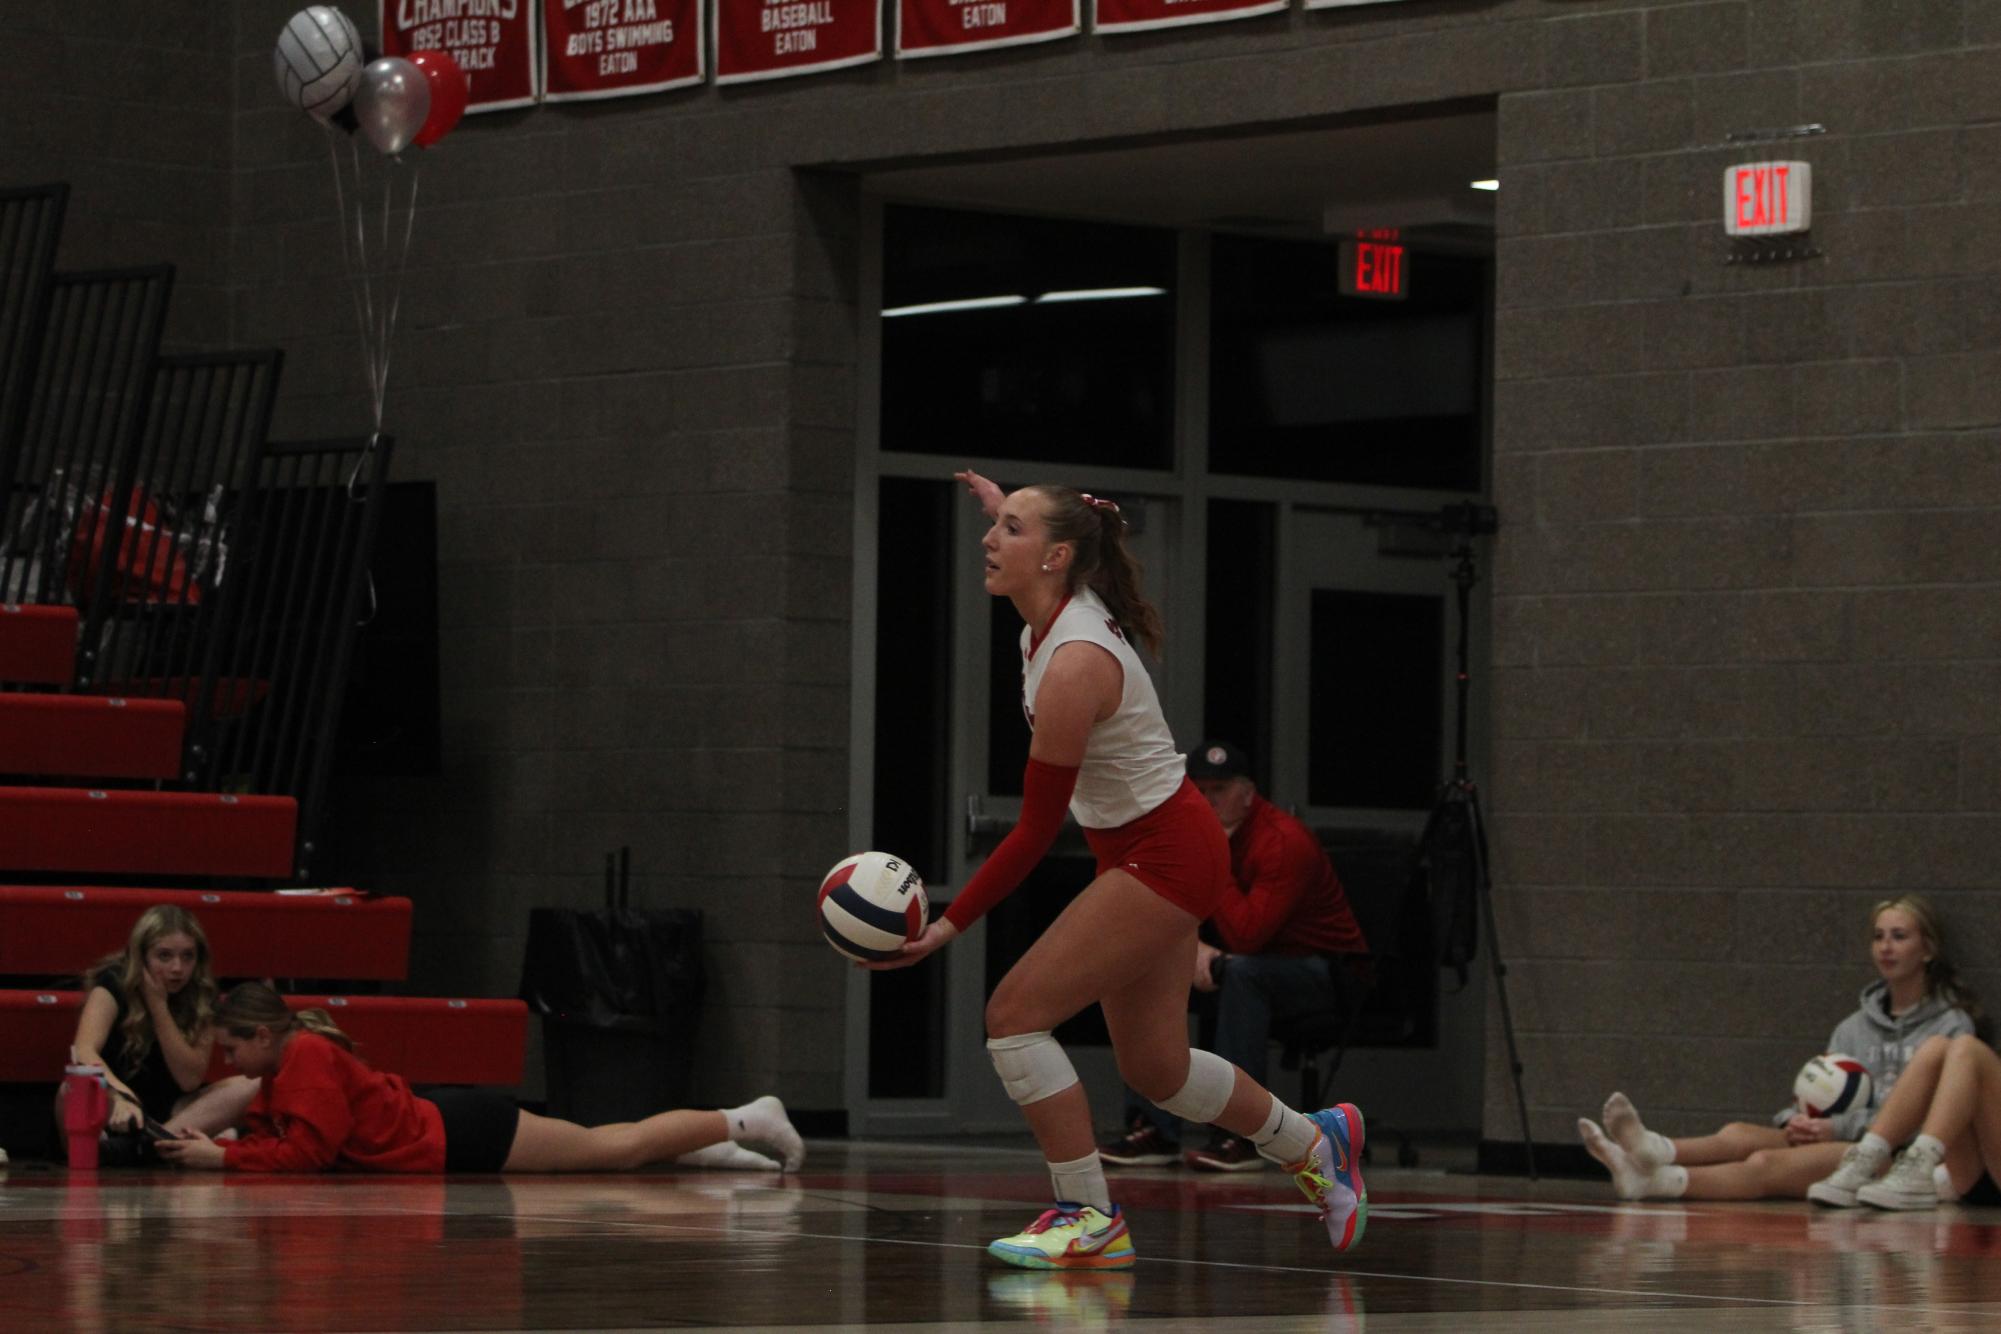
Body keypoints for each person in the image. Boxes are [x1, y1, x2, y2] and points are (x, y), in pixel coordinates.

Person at [861, 470, 1366, 1271]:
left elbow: (1031, 832)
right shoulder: (1051, 608)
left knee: (1013, 1016)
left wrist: (947, 926)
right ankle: (1316, 1141)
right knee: (1157, 1070)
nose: (990, 541)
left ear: (1058, 556)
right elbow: (1056, 534)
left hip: (1163, 856)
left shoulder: (1074, 664)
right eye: (998, 526)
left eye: (1011, 532)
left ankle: (1088, 1213)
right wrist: (1006, 506)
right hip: (1152, 849)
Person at [153, 982, 805, 1175]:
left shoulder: (307, 1059)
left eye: (232, 1048)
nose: (227, 1062)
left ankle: (747, 1117)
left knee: (617, 1148)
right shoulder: (285, 1065)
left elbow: (309, 1153)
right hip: (449, 1129)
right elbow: (284, 1135)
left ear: (262, 1036)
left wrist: (223, 1159)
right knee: (611, 1146)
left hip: (467, 1134)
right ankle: (705, 1147)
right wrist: (226, 1143)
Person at [1577, 894, 1977, 1201]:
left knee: (1765, 1163)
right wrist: (1795, 1121)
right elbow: (1819, 1093)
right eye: (1878, 937)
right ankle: (1654, 1149)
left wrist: (1836, 1127)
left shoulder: (1950, 1027)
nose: (1886, 947)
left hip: (1890, 1154)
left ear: (1927, 950)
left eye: (1899, 936)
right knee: (1737, 1133)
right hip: (1837, 1138)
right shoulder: (1853, 1027)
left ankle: (1657, 1182)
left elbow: (1936, 1119)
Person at [1098, 739, 1367, 1172]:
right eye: (1199, 790)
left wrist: (1213, 855)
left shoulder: (1282, 840)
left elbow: (1246, 934)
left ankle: (1240, 1132)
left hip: (1325, 973)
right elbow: (1161, 906)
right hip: (1244, 961)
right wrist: (1191, 947)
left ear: (1247, 794)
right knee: (1148, 961)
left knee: (1241, 973)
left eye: (1219, 791)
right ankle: (1152, 1127)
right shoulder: (1194, 835)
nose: (1207, 800)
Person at [57, 904, 260, 1157]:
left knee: (250, 1084)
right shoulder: (113, 982)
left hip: (171, 1111)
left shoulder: (201, 994)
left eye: (188, 956)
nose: (177, 968)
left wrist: (158, 1005)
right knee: (71, 1089)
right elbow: (85, 1050)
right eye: (164, 956)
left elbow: (189, 1079)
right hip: (114, 1100)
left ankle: (147, 1148)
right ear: (141, 957)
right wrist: (123, 1097)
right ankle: (155, 1146)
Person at [1804, 1029, 2001, 1211]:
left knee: (1968, 1048)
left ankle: (1923, 1159)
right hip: (1977, 1174)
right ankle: (1869, 1155)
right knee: (1936, 1047)